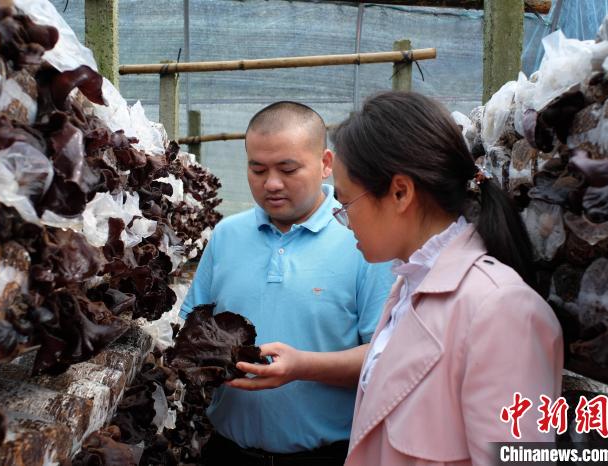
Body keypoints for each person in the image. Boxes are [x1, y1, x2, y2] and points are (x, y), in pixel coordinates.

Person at [231, 92, 564, 466]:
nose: (342, 216)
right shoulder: (408, 286)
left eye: (347, 202)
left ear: (401, 193)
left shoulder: (502, 311)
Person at [180, 101, 395, 465]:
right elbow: (190, 327)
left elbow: (386, 357)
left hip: (327, 455)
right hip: (227, 451)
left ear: (326, 164)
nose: (272, 184)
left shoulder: (362, 239)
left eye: (288, 168)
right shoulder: (227, 236)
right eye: (257, 169)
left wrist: (302, 366)